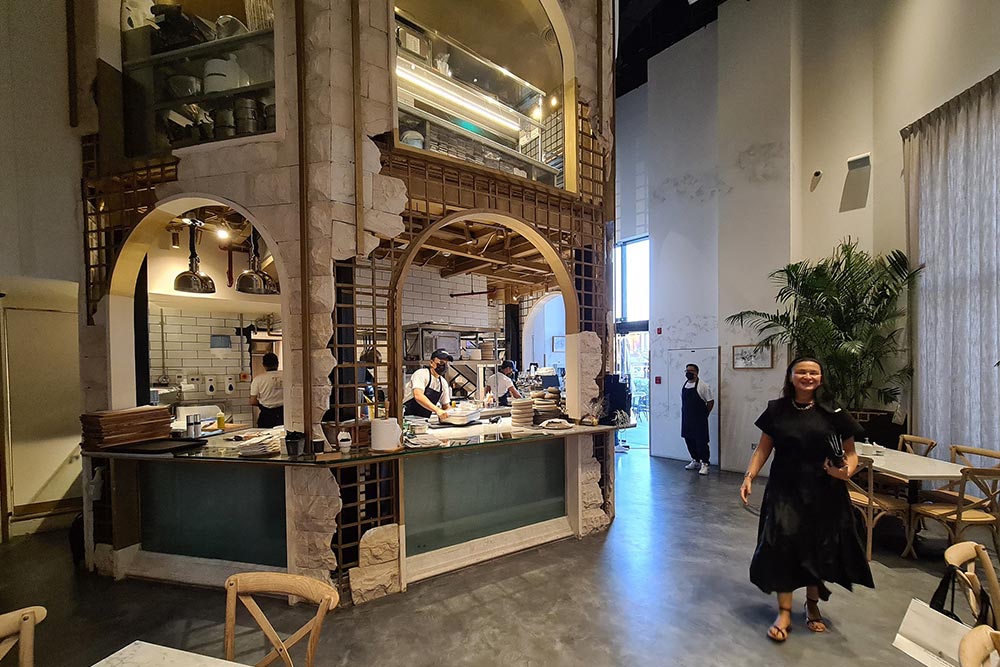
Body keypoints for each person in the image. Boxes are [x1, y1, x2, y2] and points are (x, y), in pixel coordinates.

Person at [739, 357, 873, 643]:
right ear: (791, 377)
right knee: (782, 544)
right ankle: (784, 612)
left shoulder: (833, 411)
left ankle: (812, 605)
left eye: (813, 372)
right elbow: (763, 449)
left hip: (824, 490)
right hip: (784, 489)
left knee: (817, 547)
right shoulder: (777, 410)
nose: (807, 376)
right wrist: (749, 476)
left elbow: (851, 453)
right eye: (801, 372)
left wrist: (845, 471)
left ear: (821, 378)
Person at [681, 363, 714, 475]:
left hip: (699, 419)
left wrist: (705, 414)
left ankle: (705, 463)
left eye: (691, 371)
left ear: (697, 372)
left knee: (701, 442)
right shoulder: (685, 385)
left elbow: (710, 402)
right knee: (688, 440)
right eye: (687, 371)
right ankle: (695, 460)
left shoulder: (703, 386)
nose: (688, 373)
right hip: (686, 418)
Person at [402, 348, 452, 419]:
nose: (445, 366)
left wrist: (452, 414)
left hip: (424, 421)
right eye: (441, 362)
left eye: (447, 363)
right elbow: (418, 395)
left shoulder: (443, 383)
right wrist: (437, 410)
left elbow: (446, 406)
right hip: (408, 418)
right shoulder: (421, 374)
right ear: (431, 363)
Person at [250, 352, 284, 428]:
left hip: (267, 415)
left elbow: (253, 401)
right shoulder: (287, 375)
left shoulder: (258, 379)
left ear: (263, 365)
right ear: (277, 363)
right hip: (285, 414)